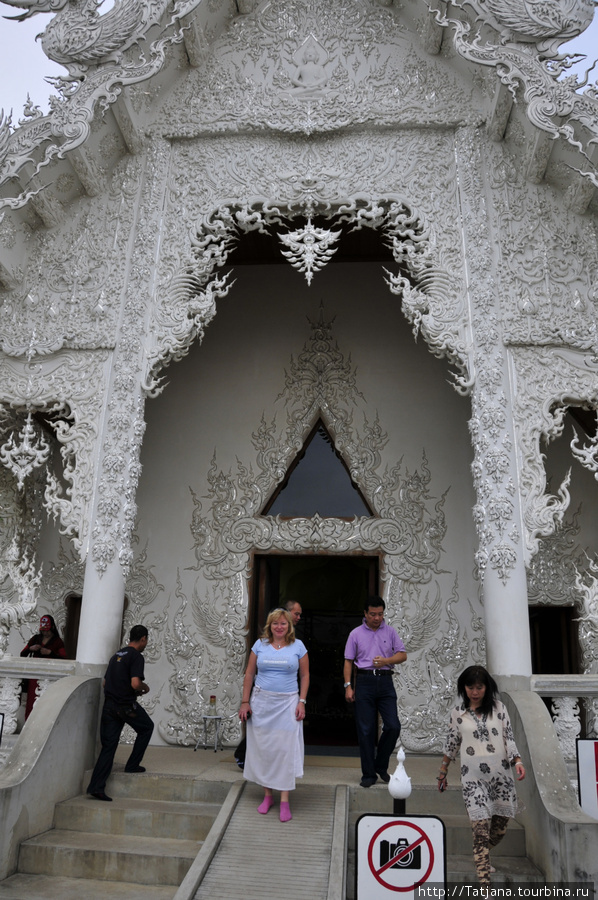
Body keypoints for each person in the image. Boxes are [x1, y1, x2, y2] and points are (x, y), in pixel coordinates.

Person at [437, 665, 526, 886]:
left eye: (479, 687)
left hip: (501, 777)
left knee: (500, 829)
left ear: (487, 687)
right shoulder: (458, 713)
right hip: (472, 779)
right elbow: (451, 743)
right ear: (463, 688)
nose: (475, 692)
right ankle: (485, 885)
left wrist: (518, 761)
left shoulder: (499, 708)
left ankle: (481, 854)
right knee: (479, 831)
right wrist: (442, 771)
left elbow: (509, 738)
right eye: (470, 687)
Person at [239, 608, 309, 822]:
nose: (279, 627)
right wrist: (244, 701)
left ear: (290, 626)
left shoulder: (298, 646)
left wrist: (302, 701)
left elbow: (305, 675)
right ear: (269, 626)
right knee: (265, 749)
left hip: (288, 702)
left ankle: (285, 799)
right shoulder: (260, 645)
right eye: (275, 623)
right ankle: (268, 795)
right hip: (261, 703)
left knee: (284, 749)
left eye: (283, 623)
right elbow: (249, 673)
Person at [344, 596, 407, 787]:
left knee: (393, 725)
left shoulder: (390, 631)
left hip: (386, 681)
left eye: (380, 614)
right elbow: (348, 660)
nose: (377, 618)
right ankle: (369, 774)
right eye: (373, 614)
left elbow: (402, 655)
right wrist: (348, 686)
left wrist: (386, 661)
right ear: (365, 613)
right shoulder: (355, 634)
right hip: (364, 681)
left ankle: (381, 765)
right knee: (366, 730)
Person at [87, 624, 154, 802]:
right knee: (147, 727)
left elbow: (105, 683)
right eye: (146, 640)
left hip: (109, 707)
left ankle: (96, 787)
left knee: (108, 747)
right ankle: (132, 765)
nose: (146, 643)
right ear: (143, 639)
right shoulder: (136, 656)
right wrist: (144, 687)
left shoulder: (116, 655)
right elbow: (134, 683)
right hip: (126, 707)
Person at [20, 614, 67, 718]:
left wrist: (50, 653)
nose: (45, 633)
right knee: (31, 699)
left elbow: (64, 659)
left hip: (49, 676)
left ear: (53, 628)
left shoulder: (58, 642)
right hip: (33, 675)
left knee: (47, 700)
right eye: (43, 630)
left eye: (47, 630)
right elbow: (22, 654)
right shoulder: (35, 639)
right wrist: (30, 649)